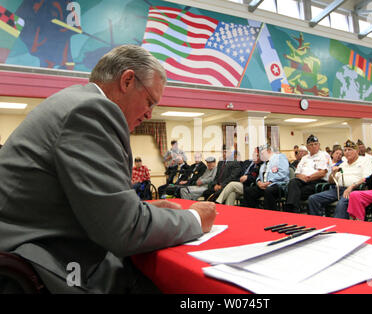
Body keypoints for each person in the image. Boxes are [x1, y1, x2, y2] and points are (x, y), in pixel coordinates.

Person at [0, 45, 216, 294]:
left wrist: (138, 209)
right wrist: (196, 219)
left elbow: (88, 205)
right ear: (127, 80)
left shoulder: (74, 100)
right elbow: (125, 230)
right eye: (149, 101)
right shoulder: (91, 111)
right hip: (42, 258)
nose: (149, 114)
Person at [308, 140, 372, 219]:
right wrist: (333, 173)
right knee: (313, 199)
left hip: (356, 190)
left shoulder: (364, 161)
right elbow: (331, 181)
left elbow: (367, 178)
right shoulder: (342, 164)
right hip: (338, 189)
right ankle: (318, 223)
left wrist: (351, 187)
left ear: (357, 151)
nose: (347, 152)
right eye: (345, 150)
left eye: (350, 150)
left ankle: (339, 228)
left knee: (341, 204)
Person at [285, 135, 331, 213]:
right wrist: (303, 177)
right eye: (311, 145)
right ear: (307, 147)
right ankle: (293, 210)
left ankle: (292, 211)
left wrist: (309, 178)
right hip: (303, 181)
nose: (314, 146)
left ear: (319, 145)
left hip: (318, 182)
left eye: (316, 144)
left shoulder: (324, 155)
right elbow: (297, 173)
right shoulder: (305, 158)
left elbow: (322, 173)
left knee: (295, 192)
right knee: (293, 182)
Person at [241, 144, 289, 210]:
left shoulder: (280, 158)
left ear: (268, 151)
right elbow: (259, 176)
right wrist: (258, 182)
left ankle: (270, 215)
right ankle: (252, 213)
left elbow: (283, 173)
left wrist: (270, 182)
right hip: (264, 185)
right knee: (248, 191)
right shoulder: (264, 163)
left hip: (277, 185)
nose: (261, 156)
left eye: (262, 154)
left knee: (268, 191)